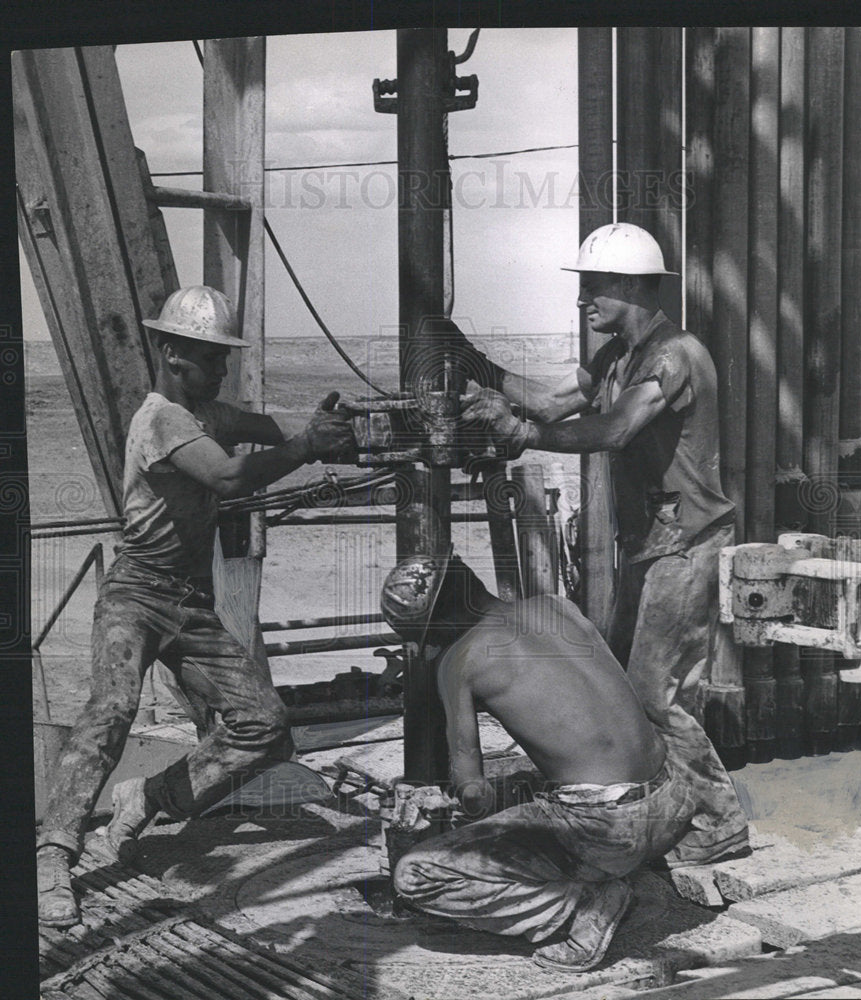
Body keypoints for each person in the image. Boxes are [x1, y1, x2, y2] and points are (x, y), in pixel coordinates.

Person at [36, 285, 356, 928]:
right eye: (211, 358)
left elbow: (268, 429)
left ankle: (151, 796)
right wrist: (303, 450)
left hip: (191, 606)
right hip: (136, 594)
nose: (221, 370)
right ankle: (53, 853)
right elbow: (230, 477)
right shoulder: (162, 418)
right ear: (171, 351)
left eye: (222, 358)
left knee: (264, 725)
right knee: (113, 709)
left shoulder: (207, 413)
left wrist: (328, 433)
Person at [447, 222, 748, 867]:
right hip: (654, 542)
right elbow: (548, 403)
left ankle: (719, 820)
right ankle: (679, 811)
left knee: (652, 694)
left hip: (687, 543)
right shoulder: (618, 358)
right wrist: (472, 363)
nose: (582, 301)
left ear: (634, 286)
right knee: (638, 687)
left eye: (594, 287)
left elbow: (614, 430)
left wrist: (521, 435)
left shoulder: (675, 357)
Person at [380, 552, 699, 973]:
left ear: (433, 627)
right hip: (675, 801)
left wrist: (450, 805)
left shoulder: (461, 660)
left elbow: (473, 793)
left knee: (415, 875)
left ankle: (583, 908)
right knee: (535, 789)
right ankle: (613, 874)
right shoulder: (555, 606)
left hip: (608, 830)